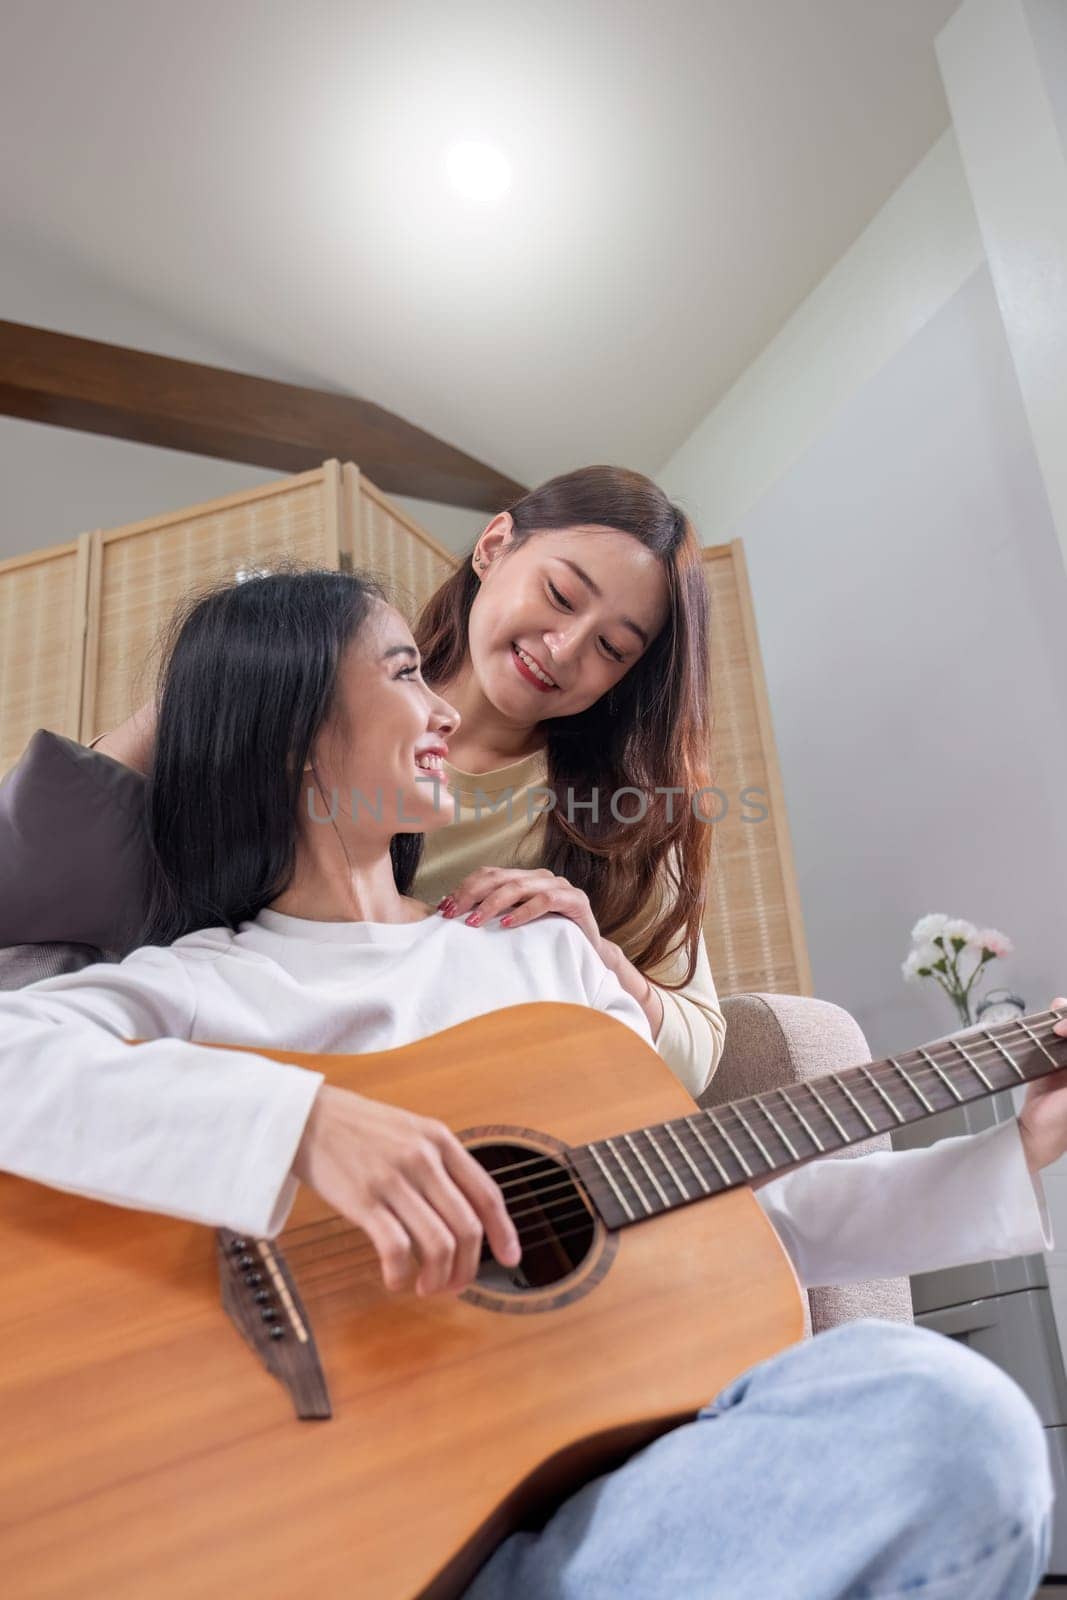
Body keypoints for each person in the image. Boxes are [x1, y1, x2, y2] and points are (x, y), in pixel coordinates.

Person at [0, 567, 1063, 1598]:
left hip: (603, 1537)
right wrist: (300, 1125)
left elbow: (723, 1229)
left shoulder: (537, 958)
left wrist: (1005, 1154)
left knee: (945, 1417)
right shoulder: (197, 985)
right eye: (407, 669)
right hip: (315, 1532)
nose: (445, 712)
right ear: (288, 717)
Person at [52, 466, 727, 1099]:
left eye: (612, 649)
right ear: (493, 545)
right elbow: (49, 858)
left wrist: (591, 953)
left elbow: (688, 1063)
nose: (563, 648)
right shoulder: (327, 694)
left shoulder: (613, 830)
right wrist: (233, 680)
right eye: (559, 595)